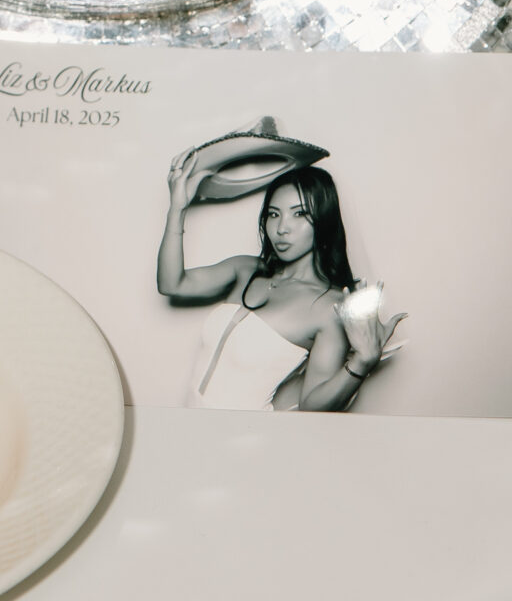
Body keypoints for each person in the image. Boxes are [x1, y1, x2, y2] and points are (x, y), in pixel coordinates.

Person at [157, 154, 404, 411]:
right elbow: (172, 284)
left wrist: (363, 362)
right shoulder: (246, 270)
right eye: (274, 214)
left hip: (242, 438)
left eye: (299, 214)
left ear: (323, 221)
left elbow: (311, 406)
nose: (282, 228)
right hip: (186, 420)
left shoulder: (329, 307)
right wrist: (178, 209)